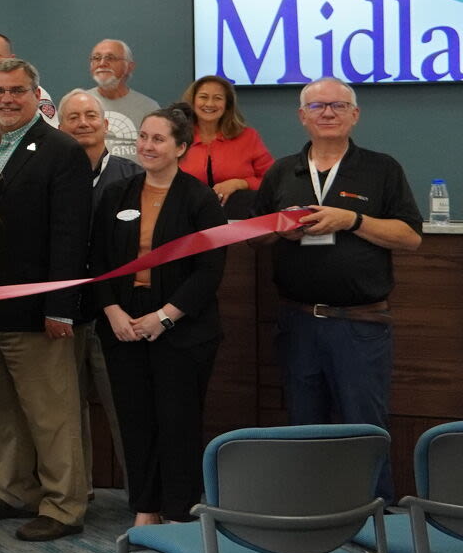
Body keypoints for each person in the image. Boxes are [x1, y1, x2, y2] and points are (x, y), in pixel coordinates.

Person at [253, 78, 422, 501]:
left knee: (363, 426)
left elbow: (410, 237)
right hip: (297, 322)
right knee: (303, 426)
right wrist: (280, 229)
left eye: (337, 105)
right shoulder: (281, 171)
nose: (327, 112)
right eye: (317, 106)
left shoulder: (382, 169)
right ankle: (312, 516)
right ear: (302, 116)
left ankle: (375, 520)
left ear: (354, 114)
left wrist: (353, 221)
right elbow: (255, 236)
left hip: (359, 325)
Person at [0, 58, 93, 543]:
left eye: (17, 91)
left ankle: (64, 505)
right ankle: (13, 490)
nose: (6, 99)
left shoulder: (61, 149)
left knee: (51, 413)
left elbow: (70, 235)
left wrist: (59, 305)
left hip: (40, 311)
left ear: (36, 94)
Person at [90, 104, 227, 527]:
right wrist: (112, 310)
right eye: (143, 137)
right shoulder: (117, 194)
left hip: (182, 329)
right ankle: (145, 508)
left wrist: (164, 317)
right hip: (122, 324)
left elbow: (210, 271)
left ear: (180, 147)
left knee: (177, 422)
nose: (147, 146)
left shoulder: (200, 199)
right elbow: (97, 259)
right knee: (135, 420)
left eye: (158, 139)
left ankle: (178, 511)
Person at [57, 88, 140, 490]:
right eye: (74, 117)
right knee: (66, 410)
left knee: (125, 404)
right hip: (64, 312)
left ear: (106, 125)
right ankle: (77, 491)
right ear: (60, 125)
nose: (83, 123)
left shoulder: (132, 177)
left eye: (91, 116)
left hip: (118, 314)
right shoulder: (52, 174)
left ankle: (141, 493)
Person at [178, 75, 273, 209]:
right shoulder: (177, 138)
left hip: (240, 218)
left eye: (218, 98)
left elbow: (272, 181)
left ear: (227, 104)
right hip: (186, 216)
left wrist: (239, 183)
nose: (210, 104)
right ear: (192, 101)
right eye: (203, 97)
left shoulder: (248, 136)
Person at [89, 39, 159, 161]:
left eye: (110, 58)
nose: (102, 63)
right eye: (96, 58)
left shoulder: (149, 108)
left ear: (129, 67)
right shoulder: (77, 105)